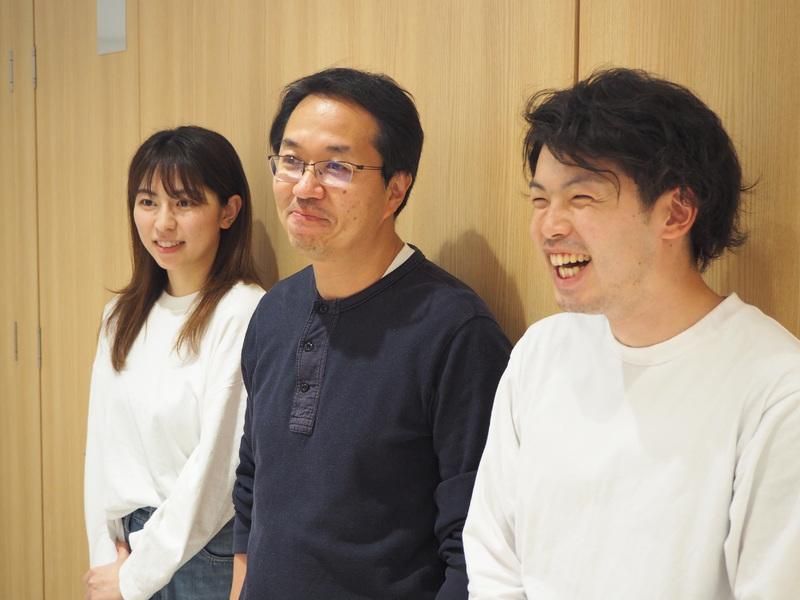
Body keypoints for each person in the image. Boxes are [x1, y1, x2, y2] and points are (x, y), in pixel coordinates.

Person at [463, 68, 800, 599]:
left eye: (581, 198)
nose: (549, 226)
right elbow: (493, 559)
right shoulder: (541, 352)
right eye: (540, 200)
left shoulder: (777, 390)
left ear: (677, 213)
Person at [230, 67, 511, 600]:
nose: (305, 188)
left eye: (337, 167)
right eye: (291, 161)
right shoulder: (273, 312)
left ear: (395, 190)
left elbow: (476, 548)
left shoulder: (455, 332)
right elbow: (252, 484)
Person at [83, 125, 265, 600]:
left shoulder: (244, 311)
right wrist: (106, 559)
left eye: (184, 203)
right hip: (126, 546)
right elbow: (101, 451)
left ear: (228, 211)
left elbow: (218, 470)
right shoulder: (120, 316)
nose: (163, 223)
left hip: (201, 553)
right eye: (148, 202)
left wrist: (135, 576)